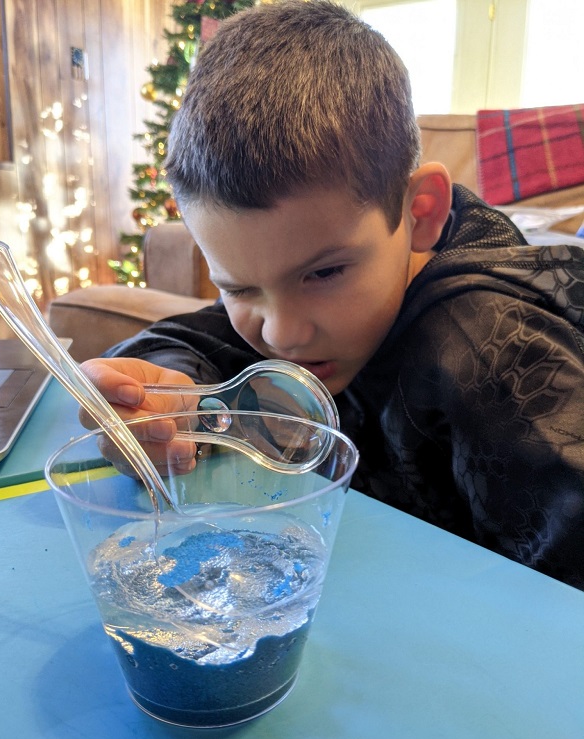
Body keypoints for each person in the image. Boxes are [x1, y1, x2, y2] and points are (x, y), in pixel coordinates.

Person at [81, 0, 584, 589]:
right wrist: (162, 393)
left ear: (420, 213)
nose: (281, 334)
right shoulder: (295, 309)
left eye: (324, 274)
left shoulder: (494, 351)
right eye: (240, 286)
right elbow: (181, 338)